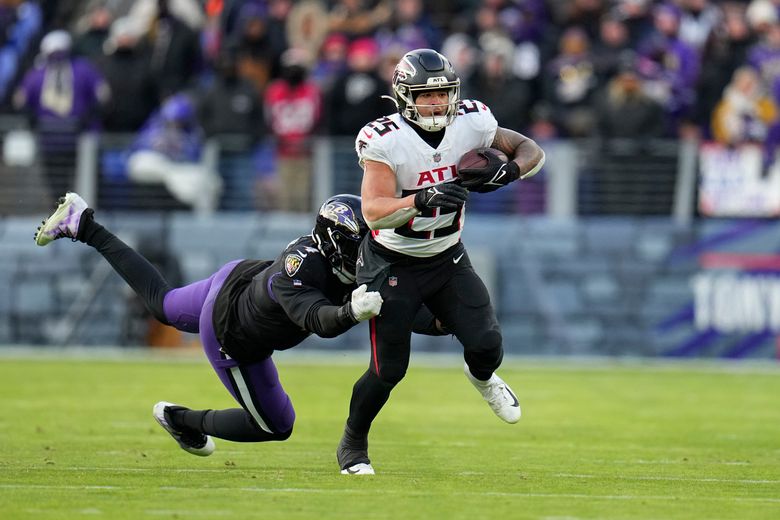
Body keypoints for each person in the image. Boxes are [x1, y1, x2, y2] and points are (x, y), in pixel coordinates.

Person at [33, 191, 395, 455]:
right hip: (231, 331)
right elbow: (318, 320)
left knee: (162, 303)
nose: (369, 253)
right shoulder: (300, 270)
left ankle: (84, 225)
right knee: (276, 425)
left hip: (236, 279)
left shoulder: (333, 258)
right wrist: (350, 312)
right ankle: (182, 420)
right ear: (337, 243)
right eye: (362, 244)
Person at [337, 48, 545, 475]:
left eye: (443, 94)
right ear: (403, 95)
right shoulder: (386, 138)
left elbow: (530, 149)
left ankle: (482, 379)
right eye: (425, 96)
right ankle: (353, 444)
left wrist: (511, 171)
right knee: (388, 370)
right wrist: (422, 199)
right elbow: (373, 210)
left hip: (447, 255)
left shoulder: (472, 122)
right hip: (391, 260)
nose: (436, 104)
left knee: (488, 345)